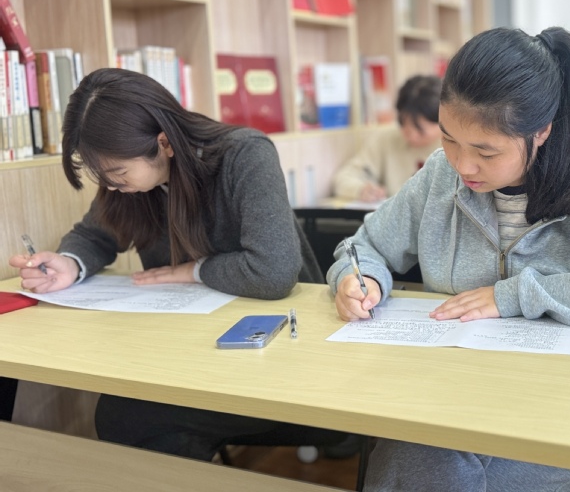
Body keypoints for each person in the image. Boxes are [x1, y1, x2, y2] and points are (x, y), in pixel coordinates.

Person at [328, 27, 570, 492]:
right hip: (447, 405)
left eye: (485, 151)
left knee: (429, 467)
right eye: (448, 139)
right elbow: (363, 246)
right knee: (420, 457)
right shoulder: (441, 176)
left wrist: (519, 294)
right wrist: (358, 278)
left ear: (542, 131)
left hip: (559, 420)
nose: (462, 165)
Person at [7, 68, 351, 461]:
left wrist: (193, 271)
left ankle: (336, 436)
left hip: (281, 352)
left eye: (117, 173)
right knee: (129, 417)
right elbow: (95, 234)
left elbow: (273, 272)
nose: (111, 185)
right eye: (102, 176)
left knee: (128, 419)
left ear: (164, 143)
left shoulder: (244, 154)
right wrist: (69, 263)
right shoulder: (130, 185)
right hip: (193, 349)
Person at [333, 74, 442, 202]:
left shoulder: (454, 146)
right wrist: (361, 189)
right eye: (404, 125)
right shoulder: (387, 137)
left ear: (443, 121)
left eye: (420, 130)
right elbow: (346, 176)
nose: (411, 136)